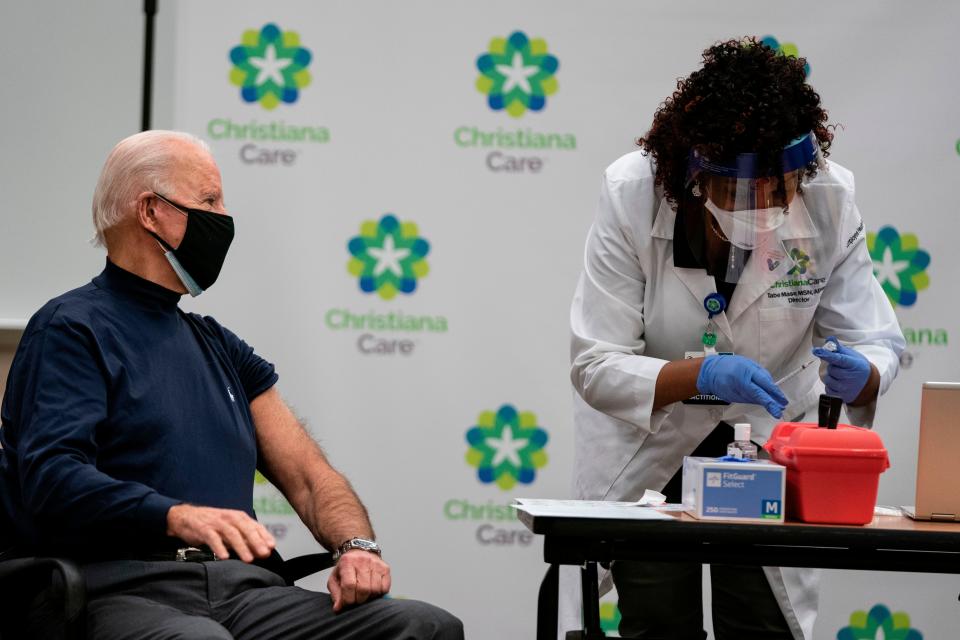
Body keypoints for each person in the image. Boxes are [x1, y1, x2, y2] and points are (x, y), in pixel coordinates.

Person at [0, 130, 464, 640]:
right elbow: (52, 477)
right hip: (123, 589)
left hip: (246, 592)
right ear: (150, 211)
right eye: (209, 201)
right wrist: (175, 516)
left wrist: (356, 546)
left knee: (425, 627)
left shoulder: (219, 344)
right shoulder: (72, 327)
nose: (223, 218)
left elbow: (310, 477)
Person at [568, 39, 904, 640]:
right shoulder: (633, 193)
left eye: (783, 187)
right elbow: (596, 364)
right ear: (695, 174)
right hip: (655, 439)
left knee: (762, 621)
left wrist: (865, 370)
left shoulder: (829, 197)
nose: (768, 208)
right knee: (657, 621)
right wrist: (699, 376)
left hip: (770, 442)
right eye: (745, 191)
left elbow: (874, 337)